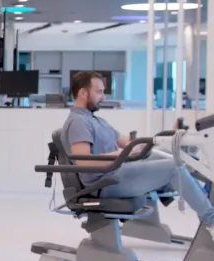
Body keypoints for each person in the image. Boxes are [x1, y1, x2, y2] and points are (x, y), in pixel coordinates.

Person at [63, 70, 214, 234]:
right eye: (99, 92)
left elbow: (130, 144)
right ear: (83, 93)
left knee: (176, 157)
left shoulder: (95, 120)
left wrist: (167, 137)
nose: (103, 97)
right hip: (106, 182)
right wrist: (123, 154)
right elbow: (84, 162)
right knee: (173, 167)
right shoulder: (78, 122)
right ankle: (211, 221)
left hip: (116, 171)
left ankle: (205, 194)